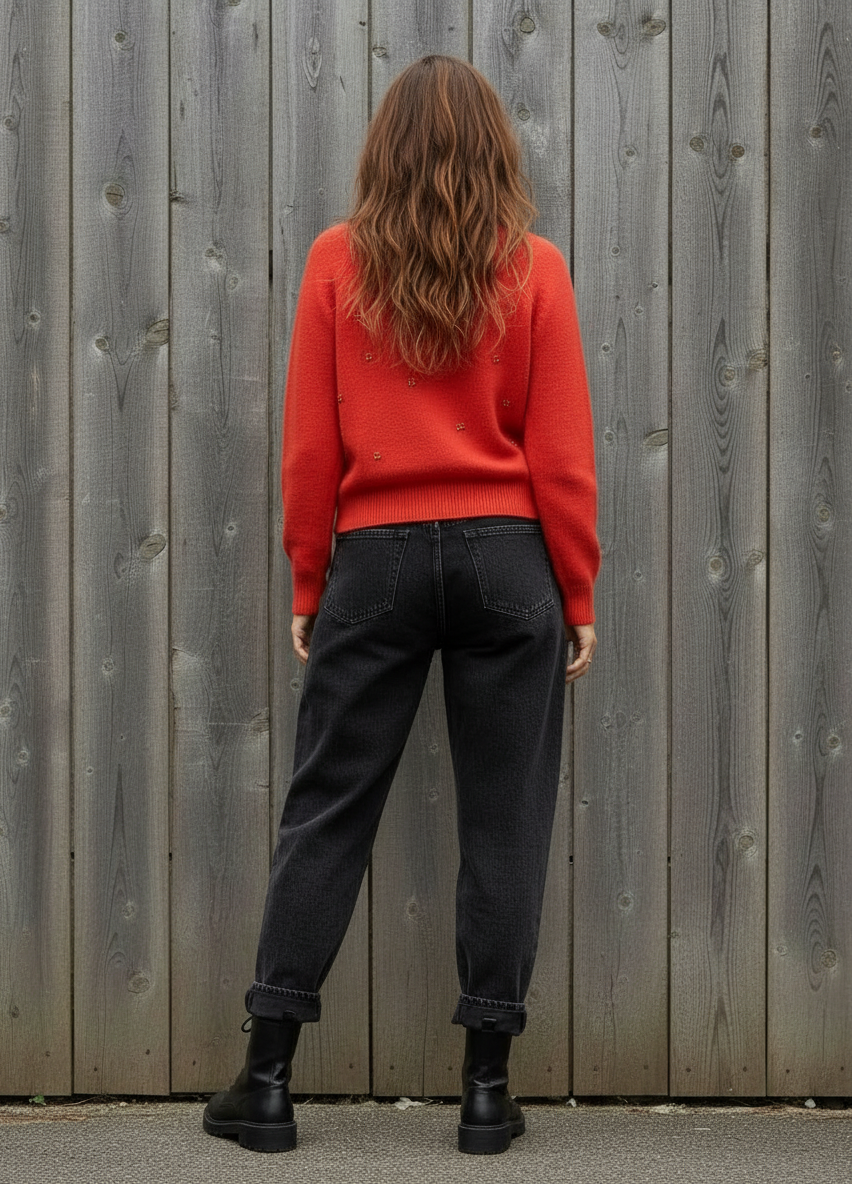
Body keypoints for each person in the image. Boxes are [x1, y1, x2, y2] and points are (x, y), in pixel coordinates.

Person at [203, 53, 600, 1156]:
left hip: (371, 559)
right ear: (495, 153)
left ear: (383, 151)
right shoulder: (536, 268)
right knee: (505, 821)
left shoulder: (338, 262)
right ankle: (486, 1092)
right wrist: (576, 587)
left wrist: (305, 575)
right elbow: (561, 455)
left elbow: (311, 448)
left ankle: (268, 1079)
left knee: (328, 803)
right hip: (507, 559)